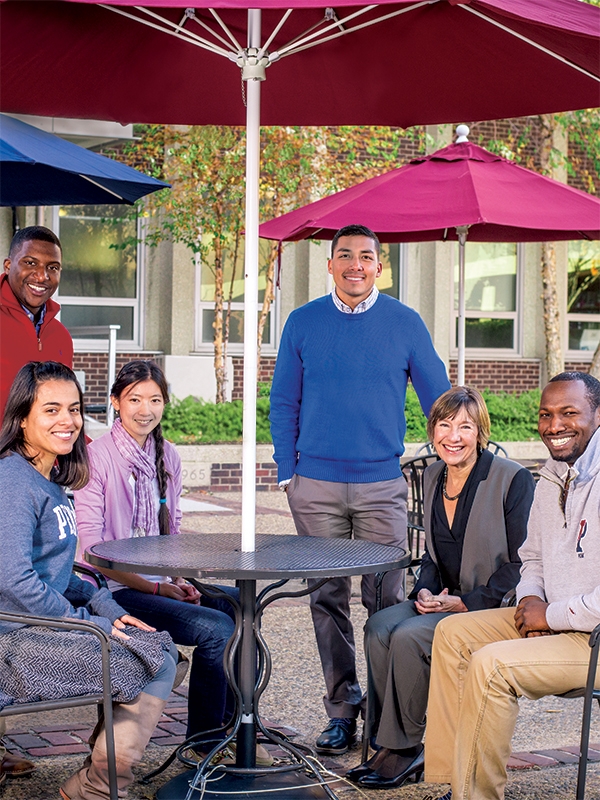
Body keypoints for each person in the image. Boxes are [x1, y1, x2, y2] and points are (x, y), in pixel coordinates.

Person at [269, 224, 451, 754]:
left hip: (381, 485)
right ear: (330, 264)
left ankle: (386, 712)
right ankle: (341, 710)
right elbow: (284, 402)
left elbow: (439, 398)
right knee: (326, 598)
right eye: (345, 255)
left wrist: (456, 453)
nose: (356, 265)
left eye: (366, 256)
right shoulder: (302, 322)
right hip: (316, 485)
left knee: (387, 599)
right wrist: (287, 470)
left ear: (379, 264)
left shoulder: (405, 322)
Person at [0, 361, 179, 800]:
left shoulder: (50, 479)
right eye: (51, 410)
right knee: (151, 657)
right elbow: (14, 580)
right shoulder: (11, 481)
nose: (67, 421)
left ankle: (97, 781)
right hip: (11, 640)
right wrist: (89, 624)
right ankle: (97, 786)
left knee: (152, 644)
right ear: (23, 417)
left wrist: (110, 611)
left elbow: (64, 575)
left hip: (38, 629)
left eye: (75, 409)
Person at [345, 386, 535, 789]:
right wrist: (425, 593)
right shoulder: (432, 475)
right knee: (379, 627)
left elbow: (523, 564)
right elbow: (432, 555)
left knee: (411, 637)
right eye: (444, 425)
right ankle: (385, 738)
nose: (453, 436)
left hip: (492, 605)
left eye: (465, 426)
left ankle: (406, 748)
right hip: (443, 599)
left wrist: (464, 603)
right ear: (432, 431)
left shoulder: (511, 479)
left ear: (480, 431)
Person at [424, 372, 600, 800]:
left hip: (593, 636)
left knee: (491, 665)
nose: (554, 425)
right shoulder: (554, 473)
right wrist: (531, 602)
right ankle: (455, 780)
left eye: (569, 413)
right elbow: (532, 557)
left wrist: (551, 615)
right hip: (557, 619)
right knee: (452, 633)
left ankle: (477, 797)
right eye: (546, 414)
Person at [74, 360, 239, 747]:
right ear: (115, 401)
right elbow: (91, 551)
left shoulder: (168, 455)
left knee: (239, 606)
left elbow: (172, 532)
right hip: (112, 590)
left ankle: (234, 731)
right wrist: (160, 590)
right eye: (134, 399)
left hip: (159, 579)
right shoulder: (96, 458)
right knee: (217, 629)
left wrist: (180, 579)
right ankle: (204, 743)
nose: (145, 409)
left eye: (155, 399)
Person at [0, 226, 72, 421]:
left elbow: (66, 408)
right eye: (31, 263)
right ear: (8, 266)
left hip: (45, 450)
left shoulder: (61, 337)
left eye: (53, 267)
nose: (42, 276)